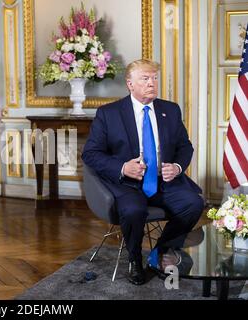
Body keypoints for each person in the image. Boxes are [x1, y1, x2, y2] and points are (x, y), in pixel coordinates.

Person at [82, 59, 204, 285]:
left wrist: (176, 167)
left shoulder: (170, 110)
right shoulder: (109, 113)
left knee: (193, 204)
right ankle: (135, 260)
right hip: (127, 184)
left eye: (155, 78)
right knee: (133, 209)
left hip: (162, 181)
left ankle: (160, 251)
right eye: (145, 79)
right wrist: (122, 167)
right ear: (130, 84)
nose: (152, 83)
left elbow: (185, 146)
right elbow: (90, 154)